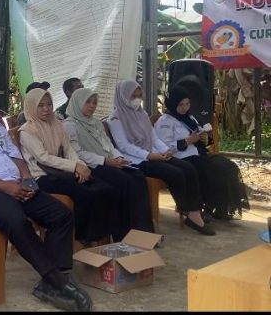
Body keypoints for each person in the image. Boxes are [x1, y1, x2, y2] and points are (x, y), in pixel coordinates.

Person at [0, 84, 92, 312]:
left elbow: (17, 157)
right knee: (18, 222)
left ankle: (54, 277)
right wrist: (6, 187)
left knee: (61, 215)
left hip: (17, 186)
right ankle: (57, 280)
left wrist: (27, 178)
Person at [107, 80, 214, 236]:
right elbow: (124, 146)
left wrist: (165, 150)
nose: (137, 99)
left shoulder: (142, 114)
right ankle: (189, 210)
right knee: (175, 173)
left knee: (188, 168)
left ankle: (194, 213)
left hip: (153, 153)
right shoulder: (115, 119)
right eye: (132, 96)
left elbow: (154, 138)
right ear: (122, 97)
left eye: (139, 95)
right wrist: (149, 155)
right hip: (137, 160)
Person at [19, 88, 119, 244]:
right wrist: (74, 167)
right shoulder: (27, 131)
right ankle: (84, 238)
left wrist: (81, 166)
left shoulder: (56, 124)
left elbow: (68, 149)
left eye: (49, 104)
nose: (46, 109)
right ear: (31, 106)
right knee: (85, 193)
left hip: (62, 171)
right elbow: (44, 158)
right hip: (43, 177)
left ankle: (103, 236)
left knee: (104, 188)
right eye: (41, 105)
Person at [63, 88, 154, 237]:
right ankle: (124, 233)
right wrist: (105, 161)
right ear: (77, 102)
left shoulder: (95, 122)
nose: (92, 106)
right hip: (92, 166)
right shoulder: (69, 125)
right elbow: (77, 153)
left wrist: (118, 158)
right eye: (88, 102)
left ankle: (143, 230)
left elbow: (108, 144)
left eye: (94, 103)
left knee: (138, 177)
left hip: (109, 162)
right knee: (124, 182)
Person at [154, 87, 249, 220]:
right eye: (181, 105)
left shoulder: (190, 117)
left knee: (227, 166)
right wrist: (187, 141)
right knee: (210, 169)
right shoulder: (165, 121)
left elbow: (203, 139)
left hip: (198, 155)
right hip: (180, 158)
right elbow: (163, 147)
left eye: (187, 104)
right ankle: (199, 209)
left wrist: (205, 138)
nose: (185, 108)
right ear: (172, 104)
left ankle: (219, 209)